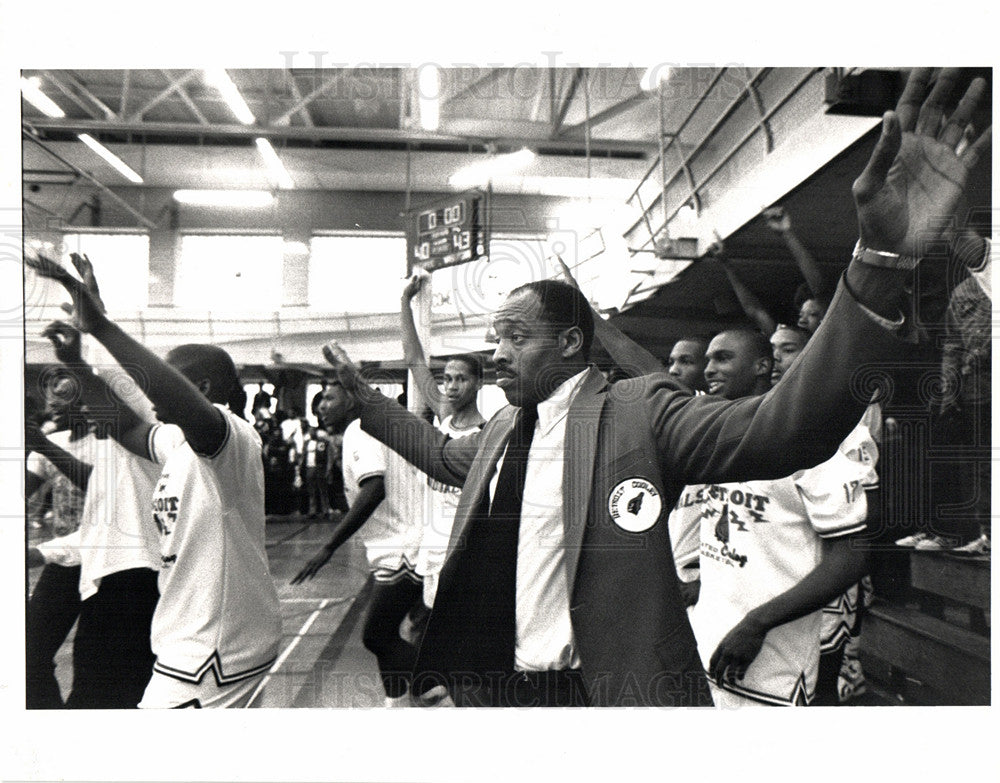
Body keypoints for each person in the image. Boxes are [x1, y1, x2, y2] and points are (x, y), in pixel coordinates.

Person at [318, 69, 989, 708]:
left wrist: (879, 265)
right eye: (496, 337)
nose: (497, 354)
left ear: (572, 343)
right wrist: (368, 401)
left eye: (514, 336)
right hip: (500, 691)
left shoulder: (638, 413)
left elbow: (783, 429)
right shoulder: (500, 434)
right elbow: (437, 451)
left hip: (599, 700)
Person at [24, 253, 282, 709]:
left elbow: (164, 405)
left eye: (165, 382)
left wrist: (102, 326)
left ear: (200, 390)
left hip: (213, 651)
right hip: (191, 639)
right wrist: (78, 365)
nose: (151, 392)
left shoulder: (230, 437)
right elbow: (127, 428)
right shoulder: (177, 444)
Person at [41, 315, 164, 709]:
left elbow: (131, 391)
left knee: (104, 698)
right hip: (95, 576)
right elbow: (96, 530)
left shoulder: (146, 444)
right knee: (92, 694)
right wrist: (41, 552)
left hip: (132, 584)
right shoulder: (110, 456)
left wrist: (92, 333)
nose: (88, 409)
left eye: (97, 400)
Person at [292, 381, 424, 707]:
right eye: (320, 398)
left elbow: (374, 487)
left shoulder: (358, 430)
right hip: (398, 545)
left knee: (375, 635)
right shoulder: (374, 428)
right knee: (387, 634)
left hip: (402, 549)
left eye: (328, 398)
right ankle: (396, 701)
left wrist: (329, 546)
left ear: (350, 400)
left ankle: (454, 674)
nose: (321, 405)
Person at [400, 273, 487, 609]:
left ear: (478, 383)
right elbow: (414, 359)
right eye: (447, 379)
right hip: (431, 549)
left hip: (463, 554)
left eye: (461, 379)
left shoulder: (486, 434)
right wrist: (404, 301)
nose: (451, 386)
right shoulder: (445, 416)